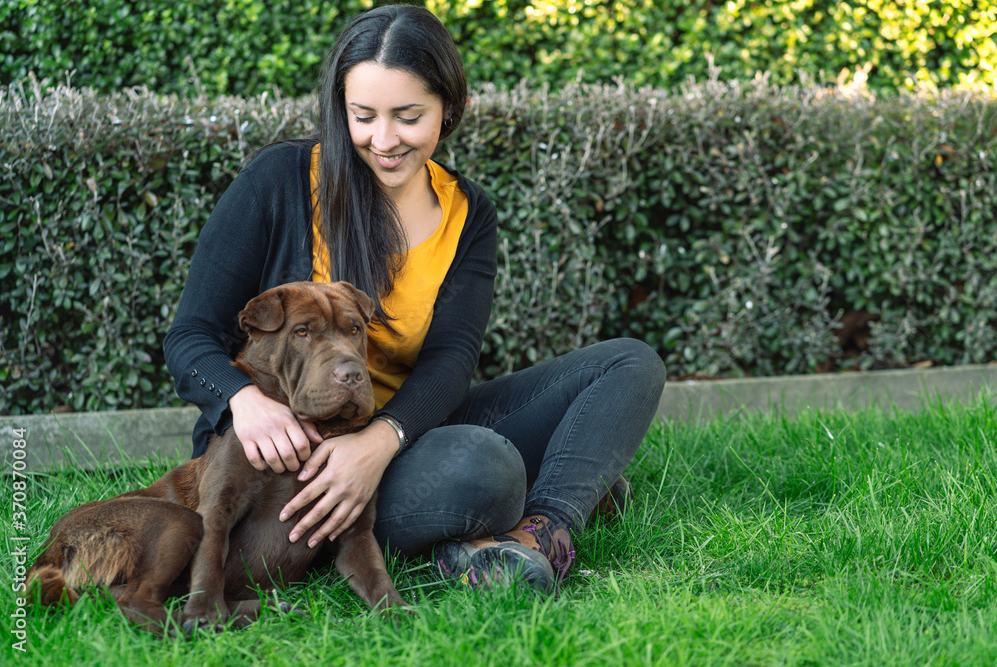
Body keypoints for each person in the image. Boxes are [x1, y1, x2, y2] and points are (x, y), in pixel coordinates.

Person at [164, 5, 665, 594]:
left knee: (631, 363)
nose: (383, 140)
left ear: (449, 110)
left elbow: (451, 363)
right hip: (289, 467)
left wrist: (380, 443)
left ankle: (538, 532)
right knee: (484, 468)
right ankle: (534, 493)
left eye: (407, 116)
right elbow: (190, 336)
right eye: (363, 116)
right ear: (340, 109)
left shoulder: (466, 212)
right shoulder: (280, 180)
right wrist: (244, 401)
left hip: (408, 433)